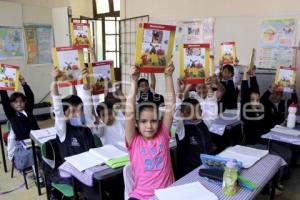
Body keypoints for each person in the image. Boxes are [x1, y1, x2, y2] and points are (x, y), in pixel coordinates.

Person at [125, 62, 175, 200]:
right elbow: (129, 110)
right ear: (136, 123)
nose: (149, 126)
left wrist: (168, 76)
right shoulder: (134, 141)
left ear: (159, 121)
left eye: (153, 121)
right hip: (140, 196)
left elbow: (170, 105)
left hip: (166, 195)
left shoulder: (163, 134)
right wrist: (134, 81)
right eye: (143, 121)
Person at [0, 76, 39, 170]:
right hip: (22, 143)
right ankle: (37, 172)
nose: (18, 104)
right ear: (11, 104)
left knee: (49, 147)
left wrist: (24, 83)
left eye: (21, 101)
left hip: (36, 138)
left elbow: (30, 96)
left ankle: (45, 166)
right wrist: (2, 85)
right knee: (33, 153)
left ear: (25, 102)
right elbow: (5, 100)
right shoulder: (11, 114)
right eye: (15, 102)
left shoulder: (28, 110)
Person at [172, 94, 216, 177]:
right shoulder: (181, 128)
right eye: (189, 111)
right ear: (182, 114)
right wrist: (179, 94)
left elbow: (212, 111)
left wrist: (210, 91)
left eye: (197, 111)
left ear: (201, 111)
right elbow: (175, 116)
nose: (194, 114)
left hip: (208, 166)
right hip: (189, 171)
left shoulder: (204, 122)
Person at [240, 67, 269, 145]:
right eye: (253, 100)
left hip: (263, 140)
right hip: (252, 144)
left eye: (257, 100)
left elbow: (255, 89)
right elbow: (244, 92)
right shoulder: (246, 109)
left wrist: (253, 75)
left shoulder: (260, 108)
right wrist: (245, 74)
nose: (256, 102)